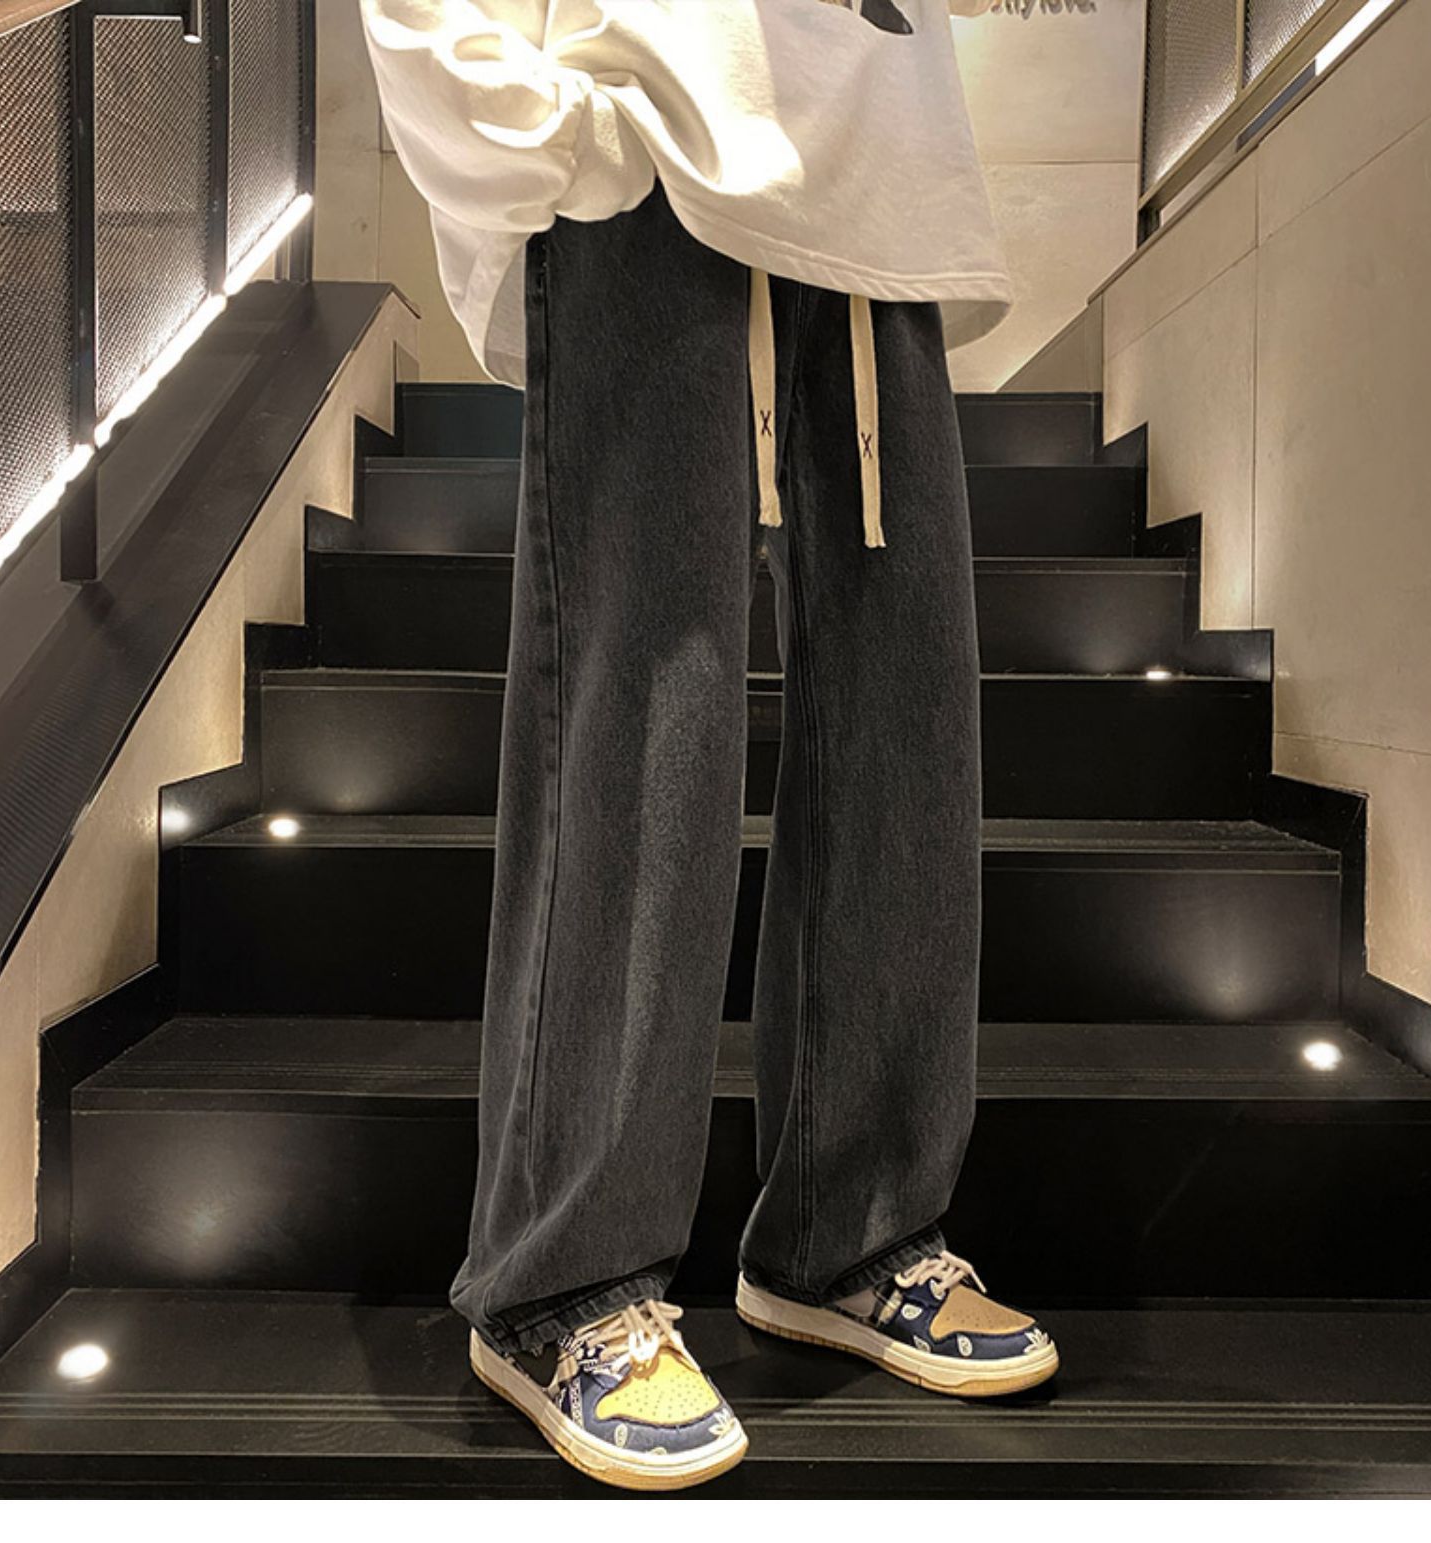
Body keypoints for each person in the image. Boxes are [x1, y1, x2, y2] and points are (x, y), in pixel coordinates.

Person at [361, 0, 1059, 1491]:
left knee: (908, 733)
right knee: (645, 719)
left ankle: (849, 1230)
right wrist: (541, 130)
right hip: (647, 160)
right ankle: (561, 1282)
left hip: (881, 184)